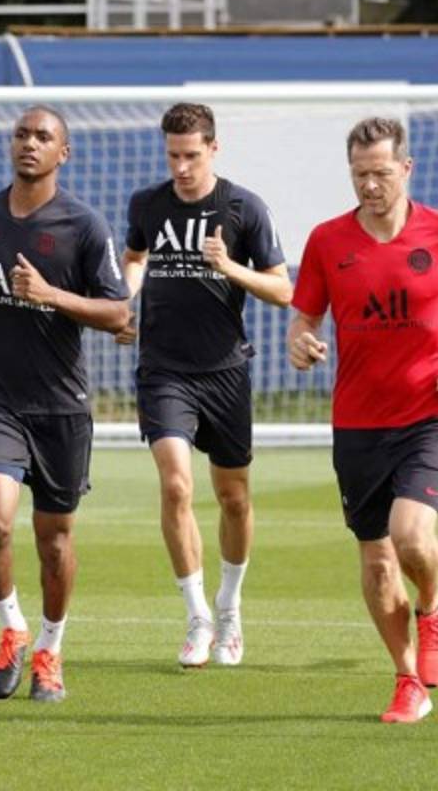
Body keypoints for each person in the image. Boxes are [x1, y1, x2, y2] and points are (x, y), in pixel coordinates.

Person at [287, 118, 438, 723]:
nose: (369, 185)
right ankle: (407, 679)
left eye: (381, 173)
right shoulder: (327, 241)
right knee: (378, 559)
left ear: (406, 170)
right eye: (360, 174)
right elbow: (303, 319)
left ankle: (434, 607)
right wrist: (302, 342)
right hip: (357, 422)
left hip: (430, 411)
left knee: (412, 536)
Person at [0, 106, 130, 703]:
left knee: (54, 539)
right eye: (22, 134)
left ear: (64, 153)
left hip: (60, 404)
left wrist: (53, 294)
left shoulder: (85, 225)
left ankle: (51, 648)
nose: (29, 144)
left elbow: (118, 312)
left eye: (43, 137)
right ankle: (12, 627)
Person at [117, 102, 292, 668]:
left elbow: (283, 290)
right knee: (175, 487)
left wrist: (229, 268)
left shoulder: (244, 208)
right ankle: (195, 617)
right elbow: (135, 255)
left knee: (234, 498)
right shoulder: (147, 203)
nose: (182, 168)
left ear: (214, 149)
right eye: (173, 156)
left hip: (225, 370)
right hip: (163, 369)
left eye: (192, 156)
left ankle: (229, 611)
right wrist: (126, 298)